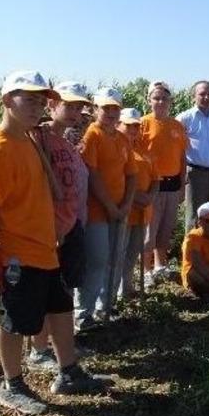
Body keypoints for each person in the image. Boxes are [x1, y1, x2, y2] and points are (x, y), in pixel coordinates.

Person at [0, 71, 108, 416]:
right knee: (15, 321)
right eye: (27, 98)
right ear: (6, 101)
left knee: (61, 310)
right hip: (15, 253)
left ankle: (69, 372)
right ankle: (11, 384)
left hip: (45, 247)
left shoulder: (29, 141)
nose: (37, 106)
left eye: (40, 99)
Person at [26, 81, 92, 372]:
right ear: (52, 105)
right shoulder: (38, 136)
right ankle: (39, 350)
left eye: (79, 106)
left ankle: (60, 345)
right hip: (52, 229)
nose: (76, 110)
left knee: (63, 292)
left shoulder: (66, 139)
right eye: (70, 104)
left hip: (72, 223)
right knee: (47, 293)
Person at [77, 88, 137, 329]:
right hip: (97, 211)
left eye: (115, 108)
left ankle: (106, 307)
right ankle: (83, 314)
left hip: (120, 211)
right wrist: (112, 207)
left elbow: (131, 174)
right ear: (94, 110)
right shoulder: (92, 135)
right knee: (98, 260)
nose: (111, 113)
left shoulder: (122, 138)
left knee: (115, 259)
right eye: (106, 108)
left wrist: (125, 205)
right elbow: (92, 175)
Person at [139, 80, 187, 284]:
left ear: (170, 101)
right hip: (152, 184)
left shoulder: (177, 125)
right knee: (150, 230)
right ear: (149, 100)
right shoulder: (143, 123)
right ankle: (146, 270)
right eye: (156, 98)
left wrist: (183, 183)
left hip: (173, 184)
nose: (160, 102)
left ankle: (161, 265)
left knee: (166, 229)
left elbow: (182, 156)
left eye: (164, 98)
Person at [117, 108, 158, 301]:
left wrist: (149, 197)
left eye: (136, 126)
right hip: (124, 209)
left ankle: (126, 288)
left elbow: (156, 179)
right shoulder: (116, 149)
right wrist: (133, 197)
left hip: (143, 210)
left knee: (133, 252)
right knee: (118, 253)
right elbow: (114, 181)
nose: (133, 130)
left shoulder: (145, 151)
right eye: (129, 126)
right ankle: (112, 295)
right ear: (119, 125)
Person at [177, 80, 209, 233]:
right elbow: (178, 147)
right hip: (196, 174)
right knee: (194, 215)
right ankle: (191, 252)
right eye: (202, 94)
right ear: (194, 96)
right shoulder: (185, 118)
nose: (206, 97)